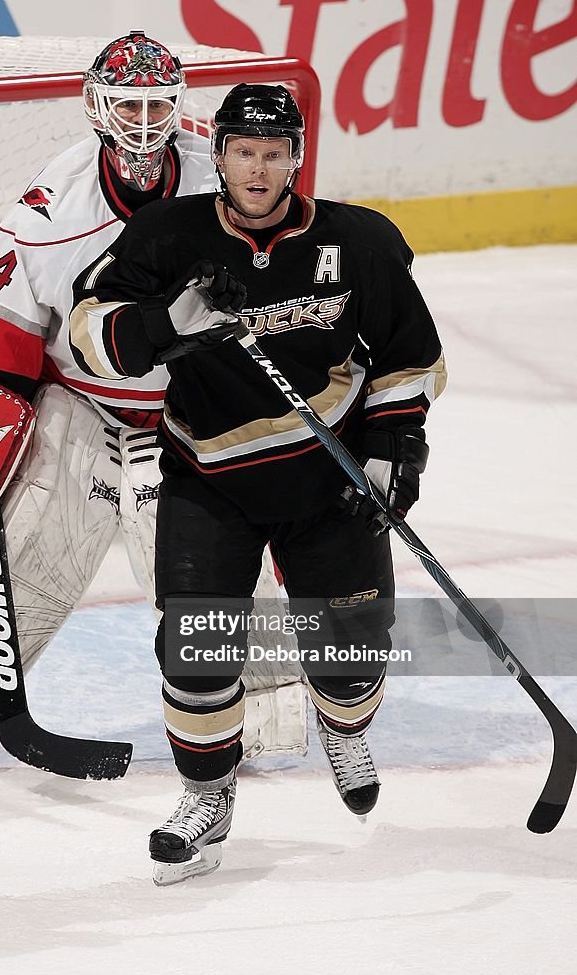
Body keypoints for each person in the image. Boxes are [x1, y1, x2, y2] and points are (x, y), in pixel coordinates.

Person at [69, 82, 448, 884]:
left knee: (349, 661)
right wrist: (169, 321)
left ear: (295, 160)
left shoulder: (359, 243)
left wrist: (392, 448)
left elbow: (408, 355)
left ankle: (342, 728)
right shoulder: (167, 236)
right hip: (210, 479)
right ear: (220, 156)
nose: (257, 167)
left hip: (330, 479)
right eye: (243, 151)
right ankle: (207, 797)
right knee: (197, 654)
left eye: (273, 153)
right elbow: (89, 334)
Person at [0, 37, 304, 767]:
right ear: (97, 107)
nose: (144, 122)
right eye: (129, 105)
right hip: (81, 402)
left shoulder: (224, 180)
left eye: (157, 105)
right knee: (33, 552)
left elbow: (291, 275)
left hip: (191, 406)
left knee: (215, 565)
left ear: (179, 109)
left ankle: (264, 715)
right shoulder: (53, 206)